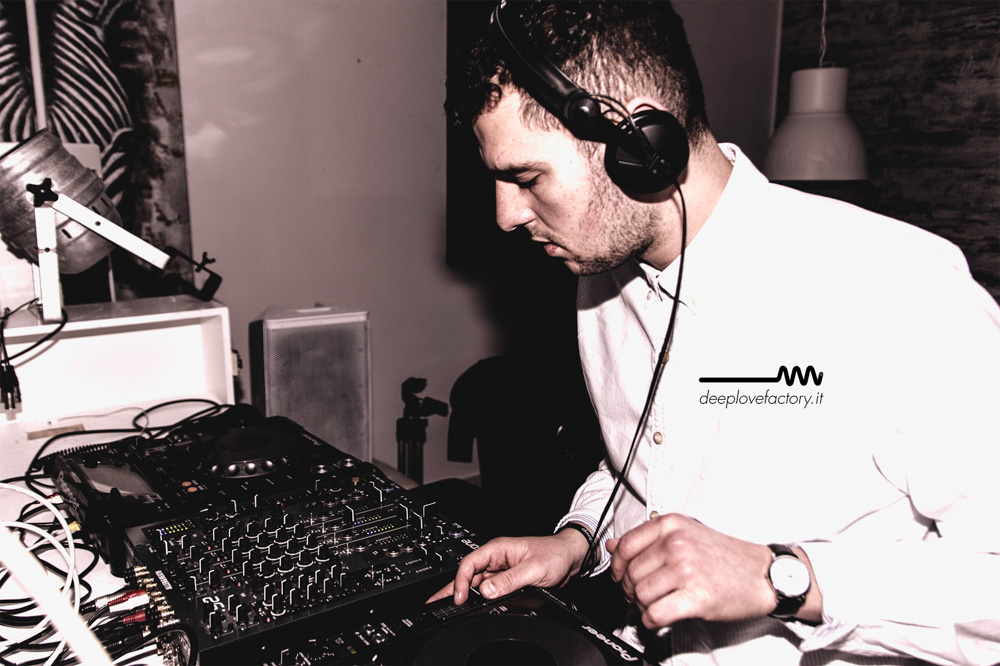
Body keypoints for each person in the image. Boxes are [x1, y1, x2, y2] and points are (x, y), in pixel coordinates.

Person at [430, 2, 1000, 664]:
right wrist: (578, 541)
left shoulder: (902, 291)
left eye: (526, 177)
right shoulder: (601, 277)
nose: (505, 215)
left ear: (638, 140)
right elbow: (640, 469)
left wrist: (783, 577)